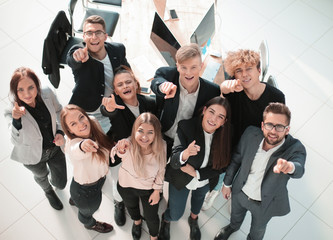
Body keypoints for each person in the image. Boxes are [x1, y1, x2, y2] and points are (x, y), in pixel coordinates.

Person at [202, 49, 286, 210]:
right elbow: (222, 109)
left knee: (245, 176)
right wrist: (224, 90)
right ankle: (215, 190)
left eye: (249, 69)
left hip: (256, 146)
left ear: (259, 71)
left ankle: (236, 195)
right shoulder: (235, 92)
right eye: (239, 71)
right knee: (221, 170)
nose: (244, 75)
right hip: (232, 141)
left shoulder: (276, 97)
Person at [67, 15, 130, 226]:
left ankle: (118, 201)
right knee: (90, 156)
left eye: (98, 32)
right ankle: (81, 191)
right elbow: (72, 59)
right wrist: (77, 56)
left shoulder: (117, 49)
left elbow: (125, 68)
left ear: (106, 34)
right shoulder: (80, 55)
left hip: (115, 110)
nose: (93, 37)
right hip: (91, 116)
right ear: (83, 36)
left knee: (116, 162)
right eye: (88, 33)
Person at [214, 102, 306, 240]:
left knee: (257, 231)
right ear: (262, 126)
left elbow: (299, 168)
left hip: (265, 203)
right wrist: (227, 184)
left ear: (287, 130)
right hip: (241, 192)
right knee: (235, 216)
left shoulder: (295, 148)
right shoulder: (250, 133)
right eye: (269, 125)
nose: (273, 131)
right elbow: (236, 159)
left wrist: (290, 167)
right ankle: (233, 227)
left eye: (280, 127)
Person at [159, 97, 232, 240]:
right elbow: (174, 161)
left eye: (220, 117)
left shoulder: (226, 136)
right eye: (211, 112)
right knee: (176, 214)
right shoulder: (186, 127)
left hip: (204, 180)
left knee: (198, 201)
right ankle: (166, 219)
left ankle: (193, 219)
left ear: (224, 122)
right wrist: (185, 154)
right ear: (204, 111)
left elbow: (222, 166)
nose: (213, 119)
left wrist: (197, 173)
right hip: (181, 180)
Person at [4, 67, 67, 210]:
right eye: (20, 90)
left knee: (61, 183)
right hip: (32, 156)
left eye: (31, 87)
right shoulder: (11, 110)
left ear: (37, 85)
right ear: (15, 91)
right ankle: (48, 191)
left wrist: (60, 132)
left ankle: (54, 185)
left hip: (55, 148)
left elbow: (59, 111)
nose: (27, 94)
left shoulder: (47, 93)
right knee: (41, 176)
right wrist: (16, 120)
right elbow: (15, 141)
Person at [150, 43, 220, 158]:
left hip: (185, 144)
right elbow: (156, 81)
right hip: (161, 134)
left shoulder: (212, 91)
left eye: (193, 67)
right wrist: (163, 87)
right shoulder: (167, 75)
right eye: (183, 67)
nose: (188, 73)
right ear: (177, 66)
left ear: (201, 66)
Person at [111, 113, 166, 240]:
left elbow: (161, 170)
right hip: (127, 186)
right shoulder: (128, 143)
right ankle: (137, 222)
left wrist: (157, 191)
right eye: (140, 131)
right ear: (135, 130)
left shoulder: (162, 145)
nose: (144, 137)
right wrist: (120, 149)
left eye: (150, 132)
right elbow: (117, 154)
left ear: (156, 133)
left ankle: (153, 236)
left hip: (148, 189)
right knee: (131, 207)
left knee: (151, 217)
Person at [60, 104, 114, 233]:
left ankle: (74, 200)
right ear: (70, 131)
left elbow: (104, 142)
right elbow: (75, 149)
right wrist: (83, 145)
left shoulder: (93, 121)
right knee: (88, 211)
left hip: (95, 178)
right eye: (73, 124)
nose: (81, 124)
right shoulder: (73, 144)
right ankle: (90, 224)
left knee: (78, 199)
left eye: (81, 117)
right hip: (86, 190)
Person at [100, 65, 156, 142]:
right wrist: (110, 110)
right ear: (116, 91)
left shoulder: (150, 102)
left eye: (128, 82)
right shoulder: (115, 104)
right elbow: (105, 110)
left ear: (136, 85)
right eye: (120, 85)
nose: (125, 86)